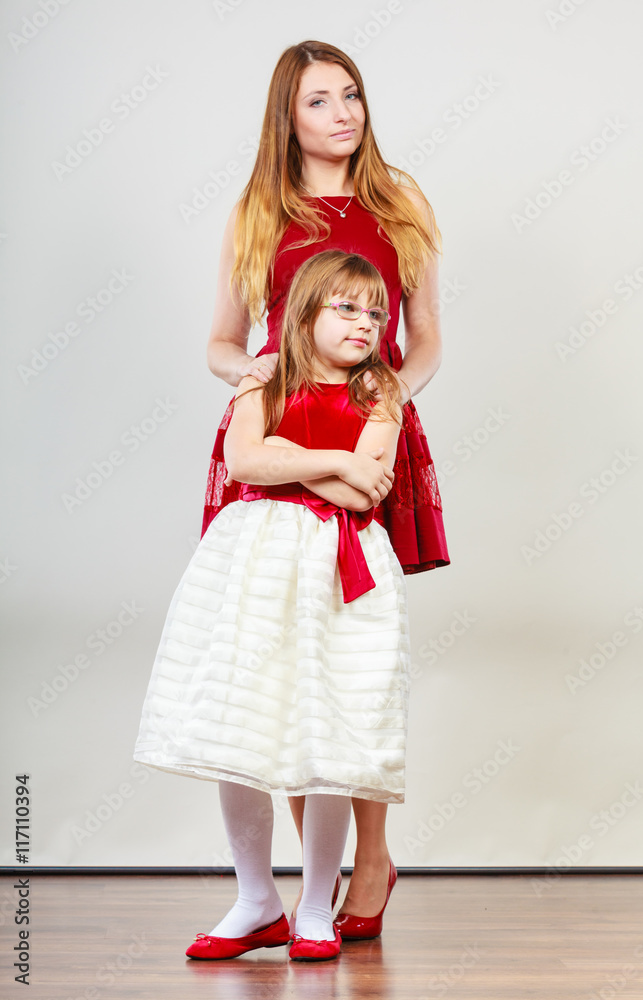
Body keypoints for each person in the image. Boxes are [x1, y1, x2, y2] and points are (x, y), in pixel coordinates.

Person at [200, 38, 450, 936]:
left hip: (369, 421)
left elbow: (423, 339)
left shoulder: (399, 201)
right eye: (320, 100)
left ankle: (370, 859)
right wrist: (257, 378)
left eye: (351, 95)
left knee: (351, 645)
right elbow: (223, 342)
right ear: (288, 115)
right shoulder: (257, 210)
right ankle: (312, 886)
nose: (343, 113)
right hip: (280, 424)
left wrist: (381, 395)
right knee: (284, 640)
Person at [133, 250, 410, 962]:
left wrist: (306, 456)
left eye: (375, 311)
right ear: (304, 311)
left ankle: (316, 905)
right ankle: (256, 899)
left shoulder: (378, 393)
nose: (365, 323)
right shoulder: (261, 380)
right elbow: (246, 463)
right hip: (253, 565)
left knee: (329, 734)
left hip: (340, 570)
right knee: (242, 721)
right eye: (345, 308)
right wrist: (338, 460)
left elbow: (364, 493)